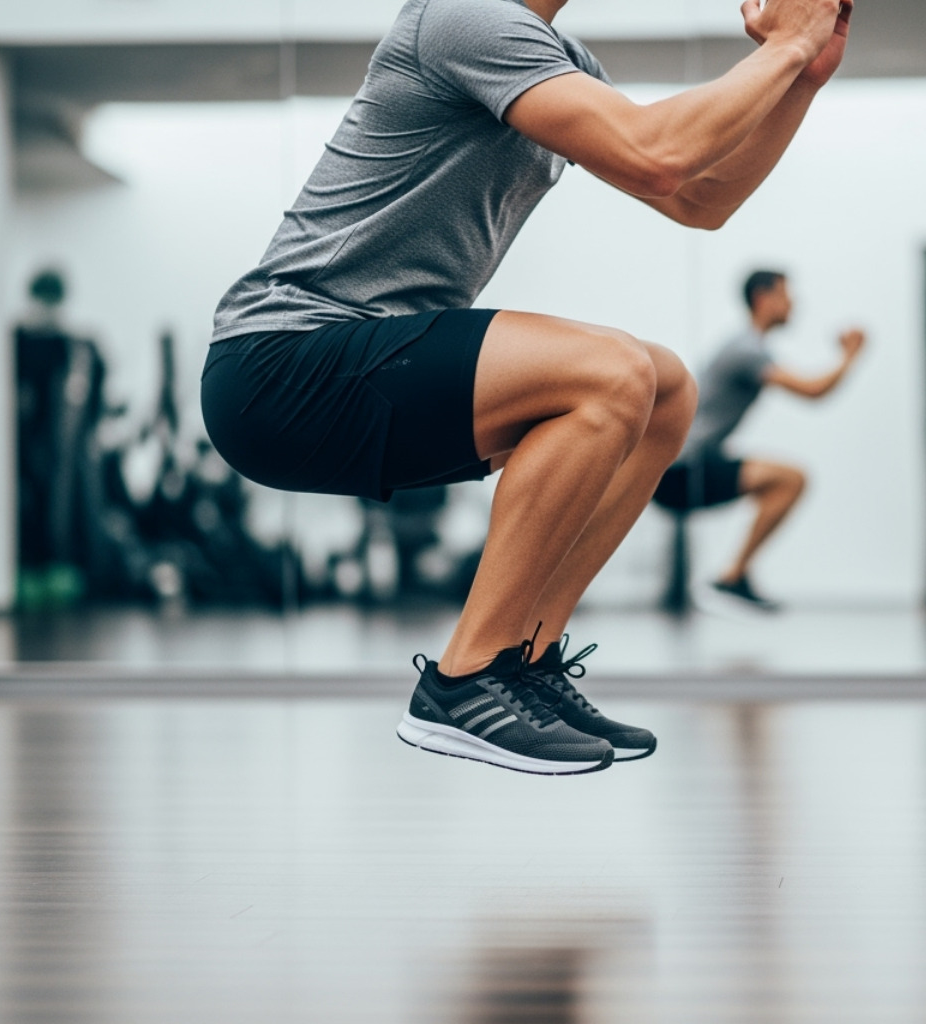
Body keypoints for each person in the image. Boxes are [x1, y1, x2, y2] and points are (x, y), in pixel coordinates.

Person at [201, 0, 856, 774]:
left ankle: (524, 660)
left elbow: (699, 198)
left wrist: (803, 79)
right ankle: (465, 679)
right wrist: (785, 48)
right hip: (282, 361)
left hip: (370, 362)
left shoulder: (557, 55)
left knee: (667, 392)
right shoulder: (462, 17)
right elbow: (659, 153)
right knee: (611, 372)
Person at [653, 270, 866, 612]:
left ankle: (735, 574)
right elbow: (813, 391)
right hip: (679, 471)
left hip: (682, 464)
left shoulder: (747, 346)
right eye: (785, 294)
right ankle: (734, 575)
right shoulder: (747, 349)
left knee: (787, 479)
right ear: (763, 299)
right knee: (791, 479)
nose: (793, 302)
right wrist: (851, 354)